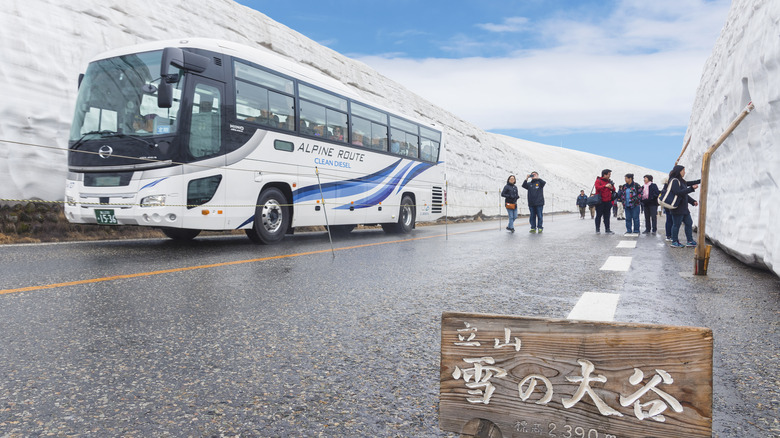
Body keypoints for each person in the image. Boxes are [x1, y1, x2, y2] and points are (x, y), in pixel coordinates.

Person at [667, 165, 699, 248]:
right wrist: (691, 188)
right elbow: (678, 192)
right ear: (679, 171)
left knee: (689, 223)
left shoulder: (681, 181)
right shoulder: (674, 181)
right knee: (676, 225)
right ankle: (674, 241)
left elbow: (685, 193)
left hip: (684, 208)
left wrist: (692, 201)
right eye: (683, 170)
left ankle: (690, 241)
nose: (684, 172)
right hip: (677, 207)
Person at [594, 169, 615, 234]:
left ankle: (607, 229)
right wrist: (605, 186)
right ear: (604, 174)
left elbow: (614, 189)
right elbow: (597, 188)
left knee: (607, 216)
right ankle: (597, 229)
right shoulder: (598, 180)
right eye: (609, 174)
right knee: (598, 216)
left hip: (608, 201)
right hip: (600, 202)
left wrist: (611, 187)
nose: (609, 176)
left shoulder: (610, 181)